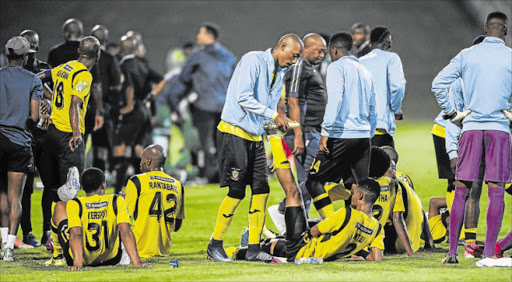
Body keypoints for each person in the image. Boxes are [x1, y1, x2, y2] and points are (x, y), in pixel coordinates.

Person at [206, 34, 303, 263]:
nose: (295, 61)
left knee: (261, 190)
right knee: (237, 191)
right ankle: (215, 245)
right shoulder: (253, 60)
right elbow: (243, 98)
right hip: (234, 132)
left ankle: (252, 249)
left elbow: (269, 112)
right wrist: (274, 115)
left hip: (255, 137)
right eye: (294, 55)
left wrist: (276, 141)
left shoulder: (280, 73)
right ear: (282, 46)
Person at [432, 11, 512, 264]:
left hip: (471, 126)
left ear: (486, 29)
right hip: (499, 129)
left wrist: (452, 112)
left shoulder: (468, 54)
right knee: (496, 190)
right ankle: (489, 253)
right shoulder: (510, 57)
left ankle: (453, 252)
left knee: (462, 189)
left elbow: (438, 83)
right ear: (506, 32)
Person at [37, 36, 101, 263]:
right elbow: (75, 103)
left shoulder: (66, 67)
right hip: (67, 137)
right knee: (71, 192)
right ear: (98, 54)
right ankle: (65, 248)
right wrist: (76, 133)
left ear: (79, 51)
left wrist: (50, 97)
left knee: (55, 190)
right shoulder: (84, 74)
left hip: (51, 134)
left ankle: (52, 239)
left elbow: (40, 77)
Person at [305, 32, 376, 219]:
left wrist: (326, 132)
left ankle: (330, 227)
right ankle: (363, 234)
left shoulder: (336, 67)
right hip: (363, 136)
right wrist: (369, 132)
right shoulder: (365, 71)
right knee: (358, 188)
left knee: (313, 181)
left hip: (343, 134)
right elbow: (372, 107)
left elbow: (335, 100)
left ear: (334, 50)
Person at [167, 23, 237, 183]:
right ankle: (223, 176)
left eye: (201, 33)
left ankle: (207, 175)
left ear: (209, 36)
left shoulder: (197, 56)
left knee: (205, 142)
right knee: (223, 142)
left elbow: (184, 79)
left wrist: (174, 100)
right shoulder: (229, 56)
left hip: (204, 106)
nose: (198, 36)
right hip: (225, 107)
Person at [50, 168, 147, 269]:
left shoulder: (75, 203)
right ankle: (126, 258)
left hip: (82, 259)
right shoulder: (116, 200)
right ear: (103, 185)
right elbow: (126, 232)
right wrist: (138, 264)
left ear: (82, 187)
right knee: (121, 224)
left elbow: (76, 234)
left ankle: (57, 255)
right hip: (112, 258)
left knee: (59, 206)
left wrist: (77, 264)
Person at [0, 36, 42, 261]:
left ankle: (1, 240)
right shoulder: (33, 79)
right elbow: (34, 117)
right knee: (15, 197)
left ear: (7, 55)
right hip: (18, 142)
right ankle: (8, 248)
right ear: (25, 57)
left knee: (1, 196)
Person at [276, 33, 327, 213]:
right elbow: (293, 101)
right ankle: (283, 209)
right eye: (318, 51)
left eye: (324, 52)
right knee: (316, 178)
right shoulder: (298, 67)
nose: (322, 55)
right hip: (304, 132)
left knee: (309, 178)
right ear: (306, 49)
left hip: (311, 131)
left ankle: (298, 227)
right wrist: (298, 135)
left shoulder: (309, 68)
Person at [112, 34, 162, 194]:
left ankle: (118, 189)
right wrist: (151, 96)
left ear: (121, 49)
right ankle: (146, 186)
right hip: (145, 110)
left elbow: (128, 87)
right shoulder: (142, 64)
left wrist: (128, 105)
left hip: (133, 112)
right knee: (138, 149)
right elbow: (162, 80)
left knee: (121, 149)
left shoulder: (124, 64)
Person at [18, 29, 51, 248]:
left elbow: (58, 98)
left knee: (49, 185)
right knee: (26, 188)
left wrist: (49, 103)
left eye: (31, 45)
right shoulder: (14, 71)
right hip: (25, 135)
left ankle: (48, 231)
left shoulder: (46, 70)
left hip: (45, 137)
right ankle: (27, 232)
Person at [125, 144, 185, 257]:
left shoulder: (136, 181)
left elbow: (124, 219)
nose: (140, 163)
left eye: (141, 160)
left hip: (138, 251)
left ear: (148, 161)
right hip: (164, 252)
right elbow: (176, 226)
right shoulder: (178, 185)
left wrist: (123, 201)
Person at [359, 27, 406, 148]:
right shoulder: (392, 58)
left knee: (363, 165)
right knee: (386, 163)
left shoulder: (359, 62)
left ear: (370, 44)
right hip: (380, 125)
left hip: (359, 128)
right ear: (389, 43)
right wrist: (396, 109)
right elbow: (398, 86)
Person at [90, 25, 122, 172]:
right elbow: (117, 85)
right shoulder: (109, 58)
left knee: (79, 145)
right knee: (100, 147)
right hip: (102, 108)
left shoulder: (81, 57)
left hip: (79, 106)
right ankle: (98, 177)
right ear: (106, 40)